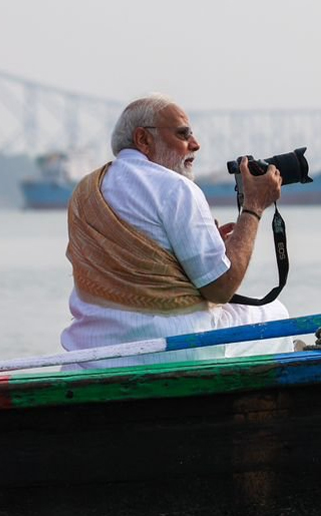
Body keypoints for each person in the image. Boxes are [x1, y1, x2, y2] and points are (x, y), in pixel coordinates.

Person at [61, 94, 292, 368]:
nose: (195, 144)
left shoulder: (87, 190)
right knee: (276, 314)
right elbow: (221, 289)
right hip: (172, 349)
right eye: (183, 135)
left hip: (92, 353)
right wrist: (253, 207)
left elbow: (138, 265)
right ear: (143, 139)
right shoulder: (177, 189)